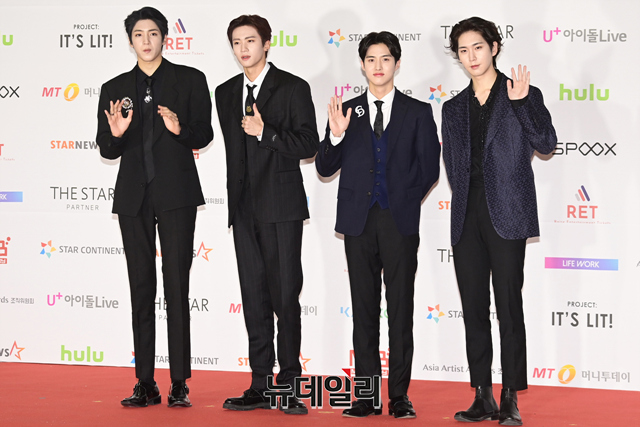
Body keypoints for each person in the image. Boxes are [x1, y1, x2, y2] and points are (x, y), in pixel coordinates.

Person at [316, 31, 440, 419]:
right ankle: (367, 396)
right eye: (371, 59)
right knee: (364, 310)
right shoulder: (345, 110)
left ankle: (399, 396)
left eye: (385, 59)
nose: (378, 66)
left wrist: (402, 199)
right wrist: (336, 134)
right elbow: (324, 167)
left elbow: (429, 169)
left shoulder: (417, 111)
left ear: (397, 64)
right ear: (362, 65)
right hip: (358, 222)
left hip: (398, 222)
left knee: (400, 311)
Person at [441, 17, 557, 426]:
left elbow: (546, 143)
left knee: (508, 305)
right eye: (463, 50)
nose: (471, 56)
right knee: (473, 306)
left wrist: (523, 104)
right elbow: (452, 165)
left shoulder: (521, 92)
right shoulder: (452, 107)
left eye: (478, 47)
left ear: (494, 47)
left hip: (507, 211)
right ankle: (482, 394)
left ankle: (510, 395)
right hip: (465, 213)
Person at [96, 6, 213, 408]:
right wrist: (115, 134)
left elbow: (204, 134)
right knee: (141, 288)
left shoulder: (190, 79)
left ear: (165, 37)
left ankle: (179, 382)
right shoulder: (114, 87)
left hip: (177, 195)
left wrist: (181, 130)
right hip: (134, 199)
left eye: (153, 33)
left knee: (177, 287)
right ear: (130, 40)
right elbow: (107, 147)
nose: (146, 41)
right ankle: (144, 381)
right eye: (138, 34)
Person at [215, 14, 318, 416]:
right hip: (243, 211)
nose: (243, 49)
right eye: (237, 42)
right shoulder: (225, 92)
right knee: (253, 298)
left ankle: (289, 384)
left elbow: (308, 144)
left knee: (285, 298)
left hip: (282, 208)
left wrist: (265, 132)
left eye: (250, 41)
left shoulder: (293, 87)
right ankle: (260, 384)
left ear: (267, 43)